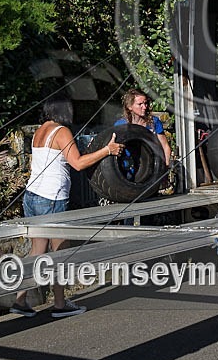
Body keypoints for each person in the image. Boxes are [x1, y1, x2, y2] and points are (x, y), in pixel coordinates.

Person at [11, 95, 124, 318]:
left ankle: (20, 300)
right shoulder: (61, 131)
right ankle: (60, 305)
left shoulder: (40, 130)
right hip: (52, 198)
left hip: (32, 195)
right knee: (61, 252)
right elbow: (78, 163)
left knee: (37, 252)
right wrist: (107, 150)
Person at [115, 88, 172, 168]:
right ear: (129, 106)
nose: (144, 107)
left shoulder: (154, 122)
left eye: (145, 103)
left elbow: (165, 146)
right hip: (128, 167)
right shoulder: (120, 125)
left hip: (151, 165)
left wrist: (165, 167)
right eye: (140, 104)